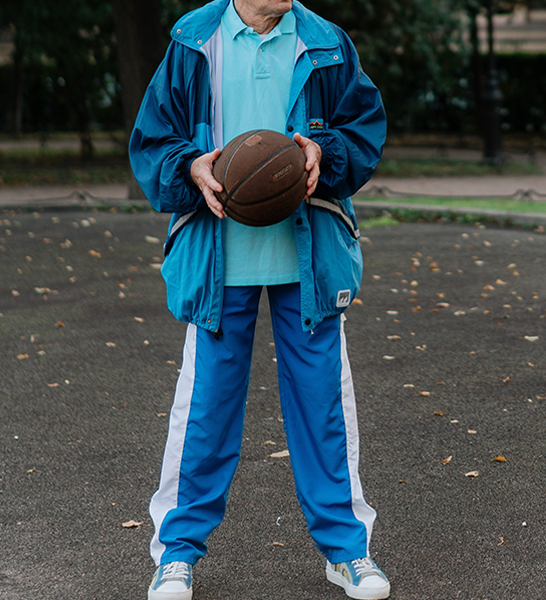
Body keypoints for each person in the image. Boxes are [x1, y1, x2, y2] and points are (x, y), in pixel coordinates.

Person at [128, 0, 388, 598]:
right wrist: (189, 167)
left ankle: (348, 550)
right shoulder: (194, 43)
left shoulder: (326, 42)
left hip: (310, 254)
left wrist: (328, 153)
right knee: (204, 413)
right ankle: (177, 554)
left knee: (325, 407)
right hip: (220, 259)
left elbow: (363, 130)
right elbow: (153, 142)